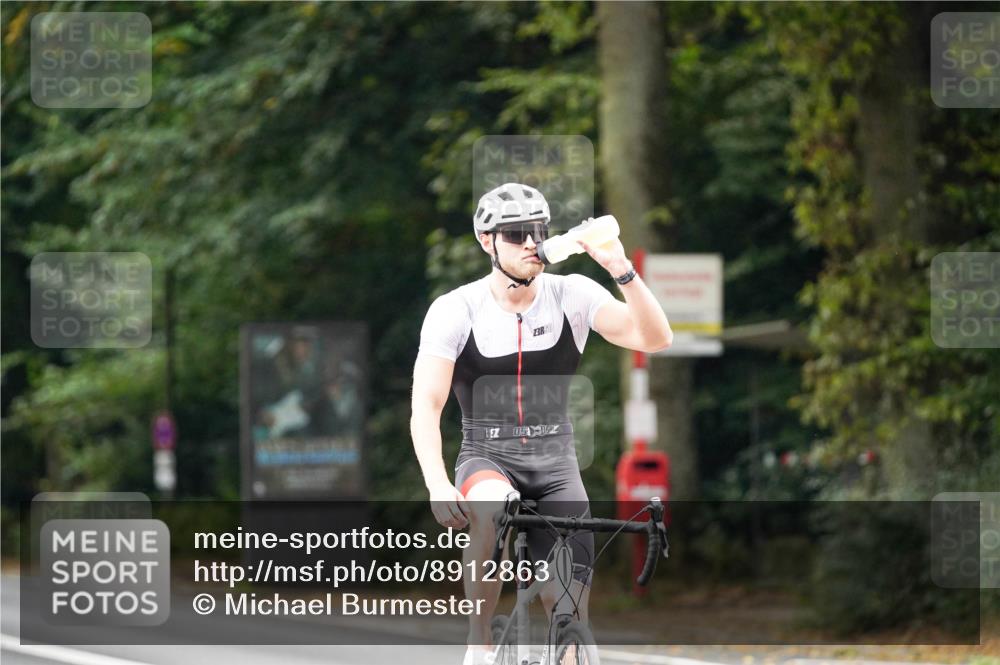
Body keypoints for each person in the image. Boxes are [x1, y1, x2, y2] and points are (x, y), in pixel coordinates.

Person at [410, 183, 672, 665]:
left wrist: (621, 269)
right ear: (487, 241)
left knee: (569, 617)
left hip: (556, 464)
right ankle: (480, 642)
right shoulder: (456, 309)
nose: (533, 242)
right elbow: (426, 404)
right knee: (491, 509)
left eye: (539, 231)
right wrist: (436, 481)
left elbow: (656, 338)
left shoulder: (571, 294)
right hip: (487, 456)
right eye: (516, 234)